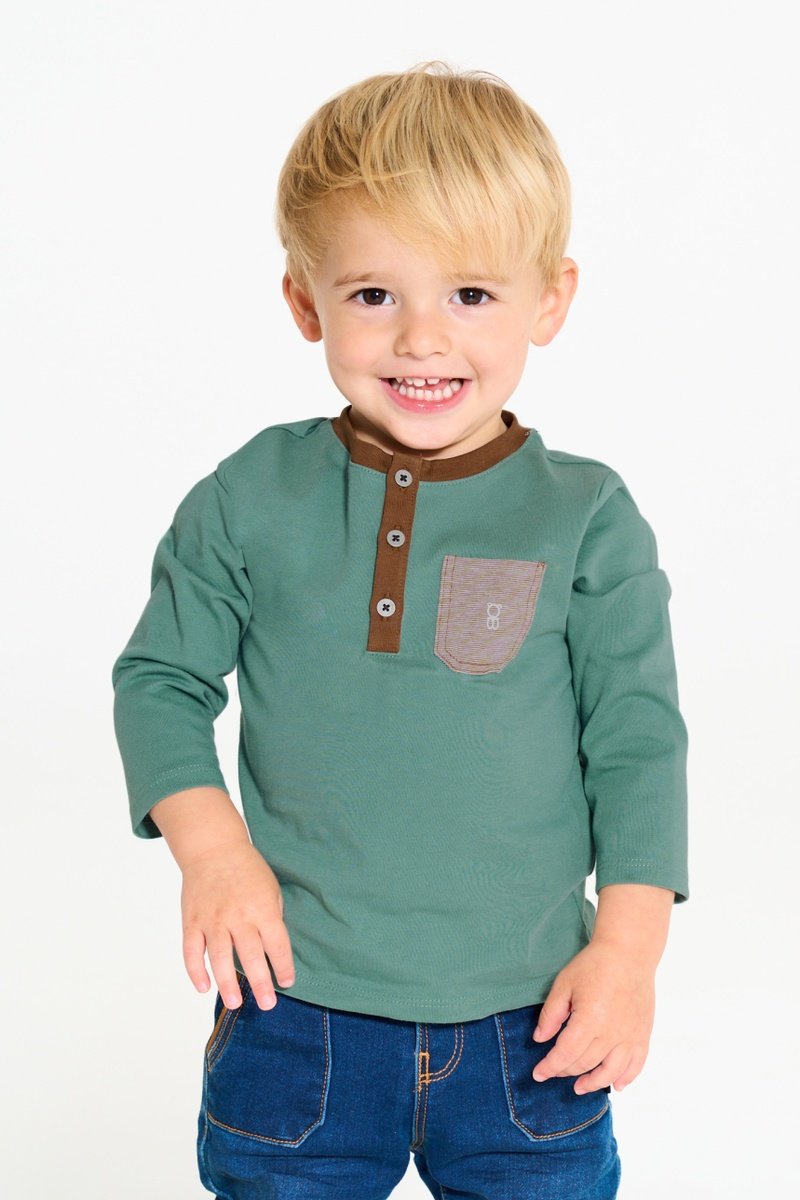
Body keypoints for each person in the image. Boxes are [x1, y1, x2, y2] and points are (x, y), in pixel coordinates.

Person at [111, 61, 689, 1200]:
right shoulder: (250, 495)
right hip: (293, 1009)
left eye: (470, 294)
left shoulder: (585, 515)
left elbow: (636, 741)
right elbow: (160, 680)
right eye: (374, 294)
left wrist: (628, 951)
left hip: (533, 1020)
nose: (422, 339)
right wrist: (213, 852)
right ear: (305, 303)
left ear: (550, 300)